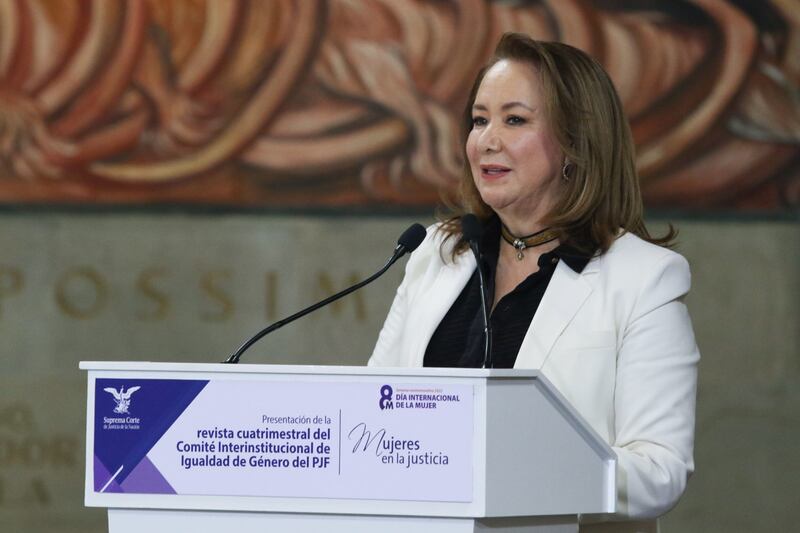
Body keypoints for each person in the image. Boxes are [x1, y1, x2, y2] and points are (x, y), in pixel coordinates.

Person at [368, 33, 699, 532]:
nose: (487, 140)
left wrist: (510, 463)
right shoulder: (436, 252)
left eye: (514, 120)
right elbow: (370, 412)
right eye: (479, 120)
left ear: (575, 142)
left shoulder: (643, 279)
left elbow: (659, 472)